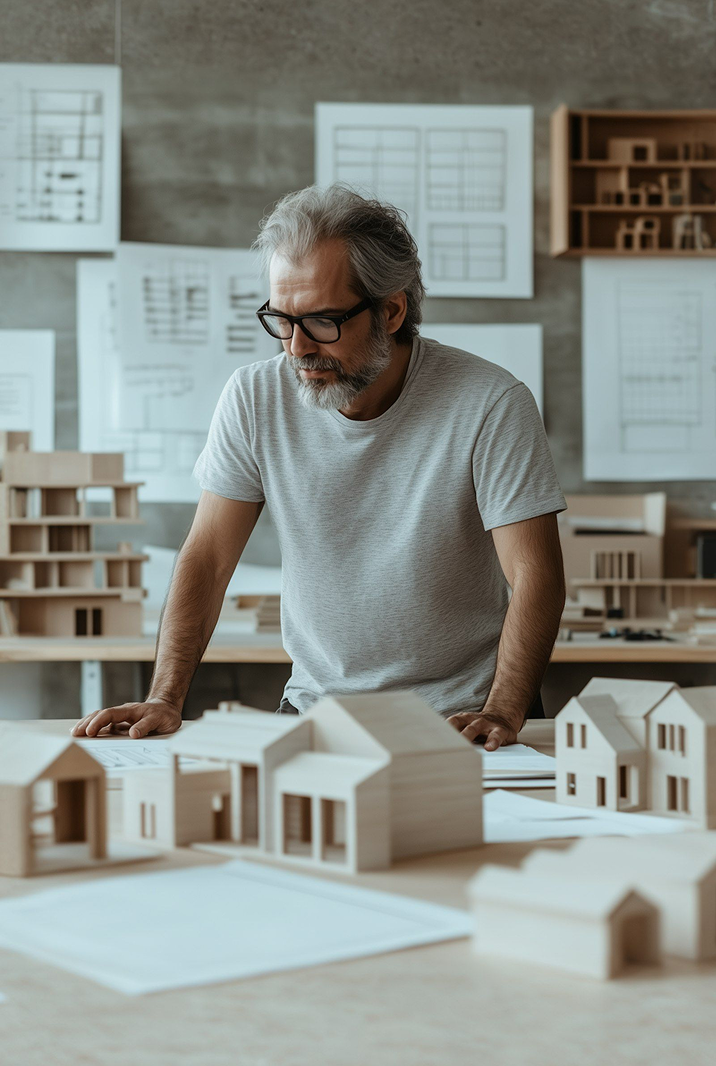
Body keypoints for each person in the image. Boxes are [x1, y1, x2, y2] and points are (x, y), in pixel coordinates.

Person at [72, 185, 566, 751]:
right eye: (282, 320)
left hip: (465, 717)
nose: (297, 348)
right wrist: (165, 697)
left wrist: (503, 709)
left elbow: (536, 575)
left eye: (322, 322)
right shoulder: (254, 398)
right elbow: (207, 559)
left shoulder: (490, 403)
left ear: (391, 311)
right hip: (317, 710)